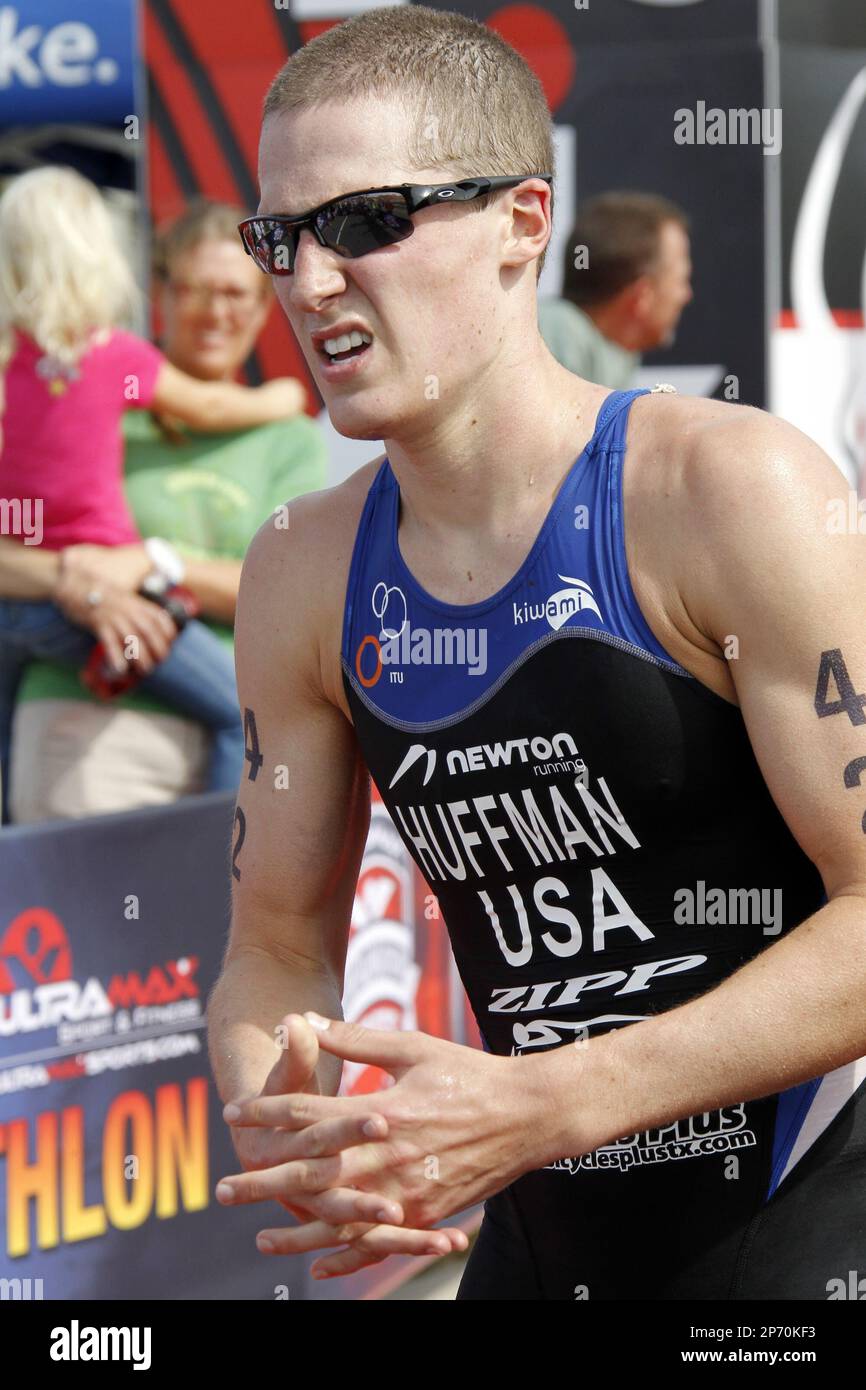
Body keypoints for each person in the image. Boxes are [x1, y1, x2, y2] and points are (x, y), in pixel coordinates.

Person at [206, 7, 866, 1298]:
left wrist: (549, 1099)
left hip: (809, 1208)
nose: (308, 281)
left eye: (363, 222)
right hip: (539, 1236)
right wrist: (289, 1116)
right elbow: (274, 939)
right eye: (278, 236)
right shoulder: (304, 568)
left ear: (522, 220)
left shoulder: (721, 489)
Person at [0, 190, 323, 823]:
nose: (214, 311)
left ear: (264, 309)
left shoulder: (288, 441)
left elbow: (289, 587)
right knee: (90, 919)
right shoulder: (88, 395)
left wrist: (149, 564)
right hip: (91, 729)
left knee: (223, 915)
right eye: (195, 289)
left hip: (242, 731)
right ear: (160, 293)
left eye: (235, 293)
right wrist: (80, 583)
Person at [537, 191, 692, 387]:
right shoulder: (559, 331)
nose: (686, 295)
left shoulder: (619, 357)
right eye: (681, 280)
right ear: (642, 295)